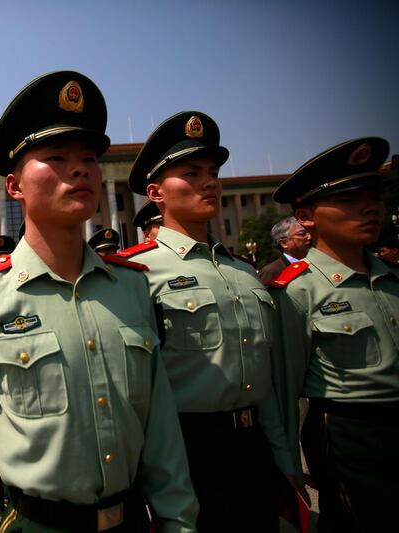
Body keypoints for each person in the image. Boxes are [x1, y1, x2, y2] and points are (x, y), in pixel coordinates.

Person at [0, 71, 197, 533]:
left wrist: (178, 519)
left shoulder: (132, 288)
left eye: (89, 159)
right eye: (55, 157)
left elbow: (159, 423)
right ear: (14, 186)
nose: (80, 170)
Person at [124, 110, 294, 532]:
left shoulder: (243, 271)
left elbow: (265, 376)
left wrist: (285, 462)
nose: (210, 181)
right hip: (188, 448)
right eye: (192, 172)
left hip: (254, 445)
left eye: (214, 171)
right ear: (156, 192)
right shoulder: (136, 275)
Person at [270, 137, 397, 532]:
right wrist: (289, 471)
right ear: (306, 217)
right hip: (351, 435)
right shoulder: (298, 291)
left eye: (373, 195)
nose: (370, 207)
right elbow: (285, 390)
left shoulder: (391, 280)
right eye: (349, 199)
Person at [258, 217, 312, 284]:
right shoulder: (271, 271)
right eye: (302, 234)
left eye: (309, 232)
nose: (309, 237)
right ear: (284, 243)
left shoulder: (315, 263)